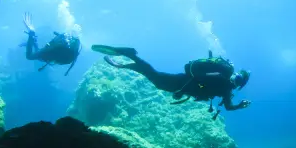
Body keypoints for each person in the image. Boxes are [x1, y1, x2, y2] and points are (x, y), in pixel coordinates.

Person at [91, 45, 251, 120]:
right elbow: (198, 78)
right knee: (156, 78)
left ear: (240, 85)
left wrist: (240, 105)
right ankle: (130, 56)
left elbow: (228, 107)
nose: (234, 81)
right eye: (236, 78)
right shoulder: (220, 78)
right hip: (182, 83)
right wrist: (181, 90)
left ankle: (131, 63)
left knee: (156, 79)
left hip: (184, 86)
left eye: (238, 82)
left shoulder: (226, 90)